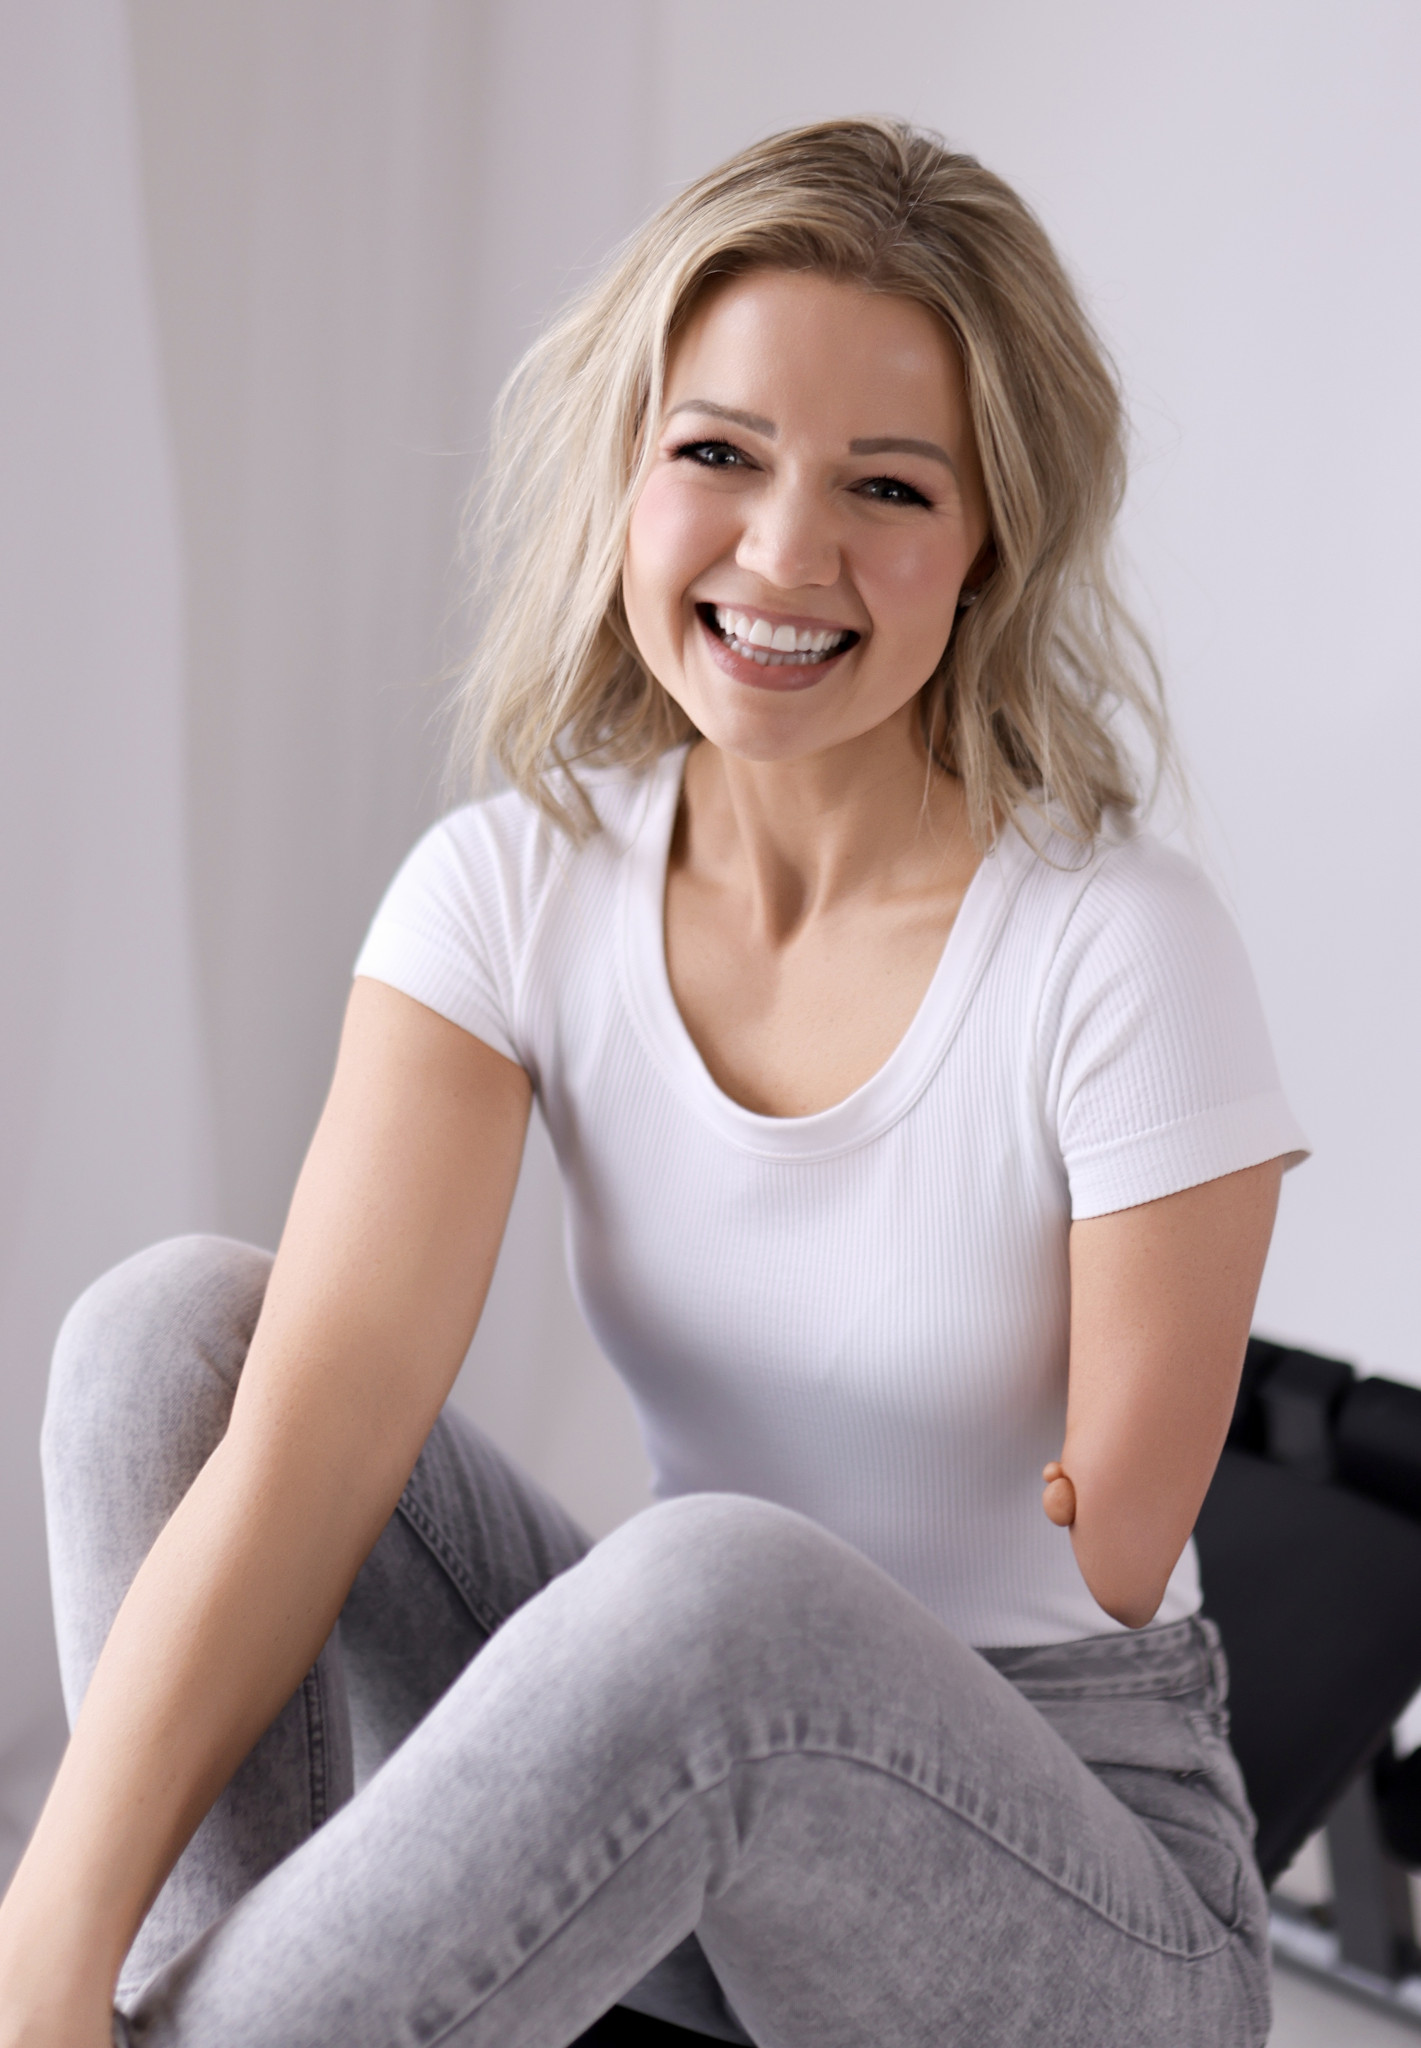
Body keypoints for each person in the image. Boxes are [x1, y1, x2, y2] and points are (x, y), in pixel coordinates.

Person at [0, 118, 1306, 2048]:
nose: (783, 554)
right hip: (698, 1784)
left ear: (988, 548)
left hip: (1072, 1879)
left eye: (886, 486)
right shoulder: (511, 887)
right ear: (626, 469)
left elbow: (1116, 1557)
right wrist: (46, 1935)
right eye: (717, 454)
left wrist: (1110, 1435)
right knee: (170, 1338)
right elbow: (313, 1448)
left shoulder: (1115, 938)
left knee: (714, 1591)